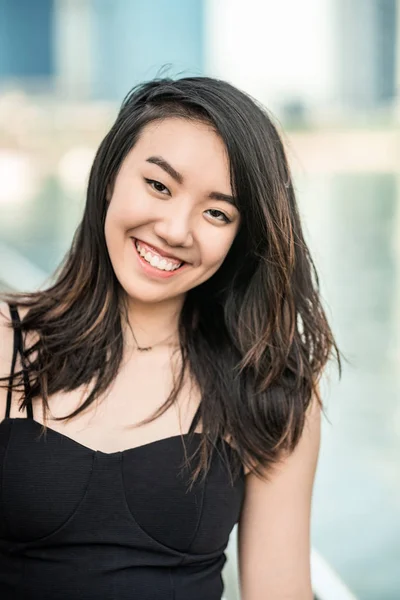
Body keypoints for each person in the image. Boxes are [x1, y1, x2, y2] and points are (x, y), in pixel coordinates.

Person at [0, 76, 339, 600]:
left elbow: (279, 590)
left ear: (239, 238)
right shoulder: (7, 338)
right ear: (110, 176)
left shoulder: (270, 387)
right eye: (158, 185)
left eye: (217, 213)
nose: (177, 229)